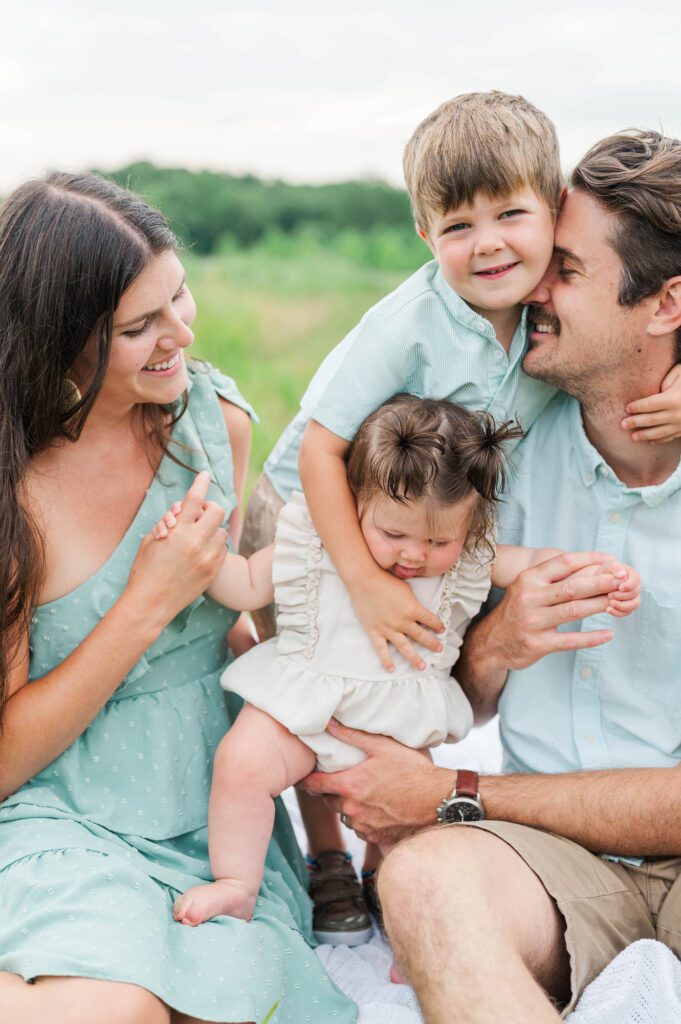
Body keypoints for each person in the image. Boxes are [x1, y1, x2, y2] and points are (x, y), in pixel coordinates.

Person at [240, 91, 681, 943]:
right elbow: (319, 456)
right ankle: (338, 852)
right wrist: (406, 601)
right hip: (323, 517)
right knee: (323, 680)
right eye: (458, 227)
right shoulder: (463, 381)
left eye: (563, 263)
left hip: (412, 524)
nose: (529, 276)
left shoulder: (537, 360)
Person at [0, 173, 355, 1024]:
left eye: (179, 296)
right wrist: (143, 605)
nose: (181, 334)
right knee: (115, 1011)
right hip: (59, 800)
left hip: (209, 805)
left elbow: (224, 619)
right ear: (58, 342)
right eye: (139, 327)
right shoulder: (15, 488)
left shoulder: (212, 423)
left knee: (230, 999)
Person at [155, 395, 638, 934]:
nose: (414, 555)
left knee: (411, 828)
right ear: (355, 503)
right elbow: (243, 582)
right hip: (301, 702)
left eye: (438, 540)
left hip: (398, 725)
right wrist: (198, 551)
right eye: (394, 535)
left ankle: (397, 911)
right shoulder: (316, 542)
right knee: (241, 763)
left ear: (468, 527)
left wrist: (600, 573)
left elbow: (533, 562)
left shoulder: (468, 561)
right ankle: (236, 885)